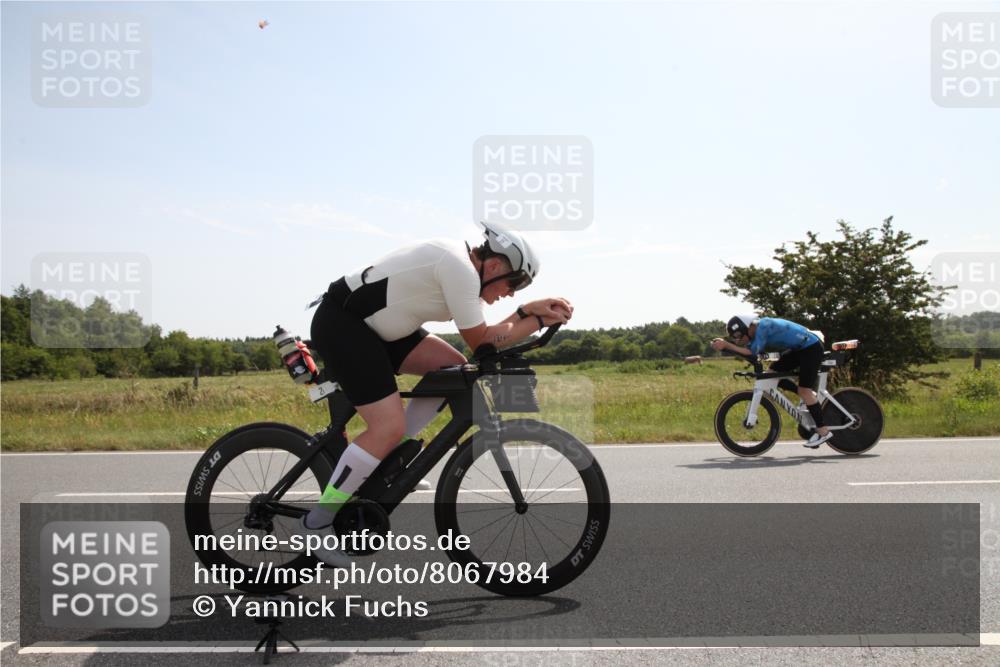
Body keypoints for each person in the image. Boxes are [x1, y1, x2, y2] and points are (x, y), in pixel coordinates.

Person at [293, 222, 573, 566]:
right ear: (495, 265)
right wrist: (532, 317)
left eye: (519, 289)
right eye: (513, 283)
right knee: (387, 426)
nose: (511, 293)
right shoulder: (460, 270)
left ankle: (385, 461)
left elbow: (483, 340)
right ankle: (317, 521)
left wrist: (527, 312)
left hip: (381, 329)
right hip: (345, 325)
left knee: (451, 370)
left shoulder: (465, 269)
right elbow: (482, 341)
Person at [711, 315, 832, 449]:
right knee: (770, 375)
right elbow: (748, 352)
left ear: (749, 327)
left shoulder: (764, 327)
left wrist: (727, 345)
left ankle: (823, 432)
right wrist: (725, 346)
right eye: (735, 337)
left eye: (739, 335)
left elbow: (751, 353)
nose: (739, 339)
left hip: (811, 348)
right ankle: (808, 396)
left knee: (805, 391)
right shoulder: (756, 331)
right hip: (799, 349)